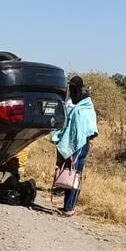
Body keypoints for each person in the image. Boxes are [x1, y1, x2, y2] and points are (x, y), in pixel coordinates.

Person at [50, 75, 98, 216]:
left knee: (71, 174)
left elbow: (74, 133)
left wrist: (70, 151)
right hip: (84, 144)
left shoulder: (78, 110)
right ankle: (68, 207)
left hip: (76, 147)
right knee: (75, 175)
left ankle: (69, 208)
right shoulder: (88, 107)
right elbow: (91, 130)